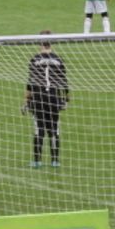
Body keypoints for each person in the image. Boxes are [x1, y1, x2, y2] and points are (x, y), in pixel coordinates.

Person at [23, 40, 68, 168]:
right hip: (54, 98)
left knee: (39, 129)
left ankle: (37, 161)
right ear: (51, 44)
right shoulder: (59, 59)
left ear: (40, 44)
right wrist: (66, 100)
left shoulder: (35, 59)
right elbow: (64, 81)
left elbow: (30, 82)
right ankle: (55, 161)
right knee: (54, 129)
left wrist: (26, 101)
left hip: (39, 98)